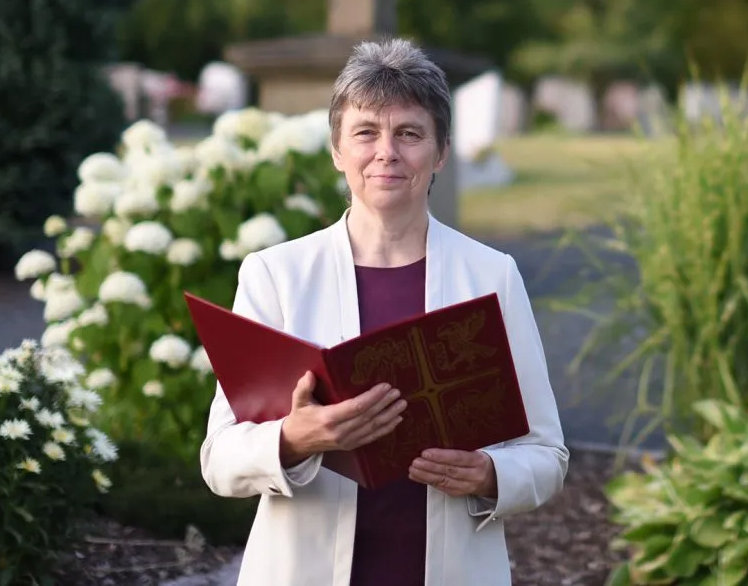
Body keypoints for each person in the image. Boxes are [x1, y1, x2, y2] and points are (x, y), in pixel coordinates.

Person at [200, 37, 569, 586]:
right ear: (336, 149)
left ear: (441, 151)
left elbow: (547, 453)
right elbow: (220, 459)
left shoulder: (492, 276)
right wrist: (295, 439)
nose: (386, 152)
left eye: (410, 134)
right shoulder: (275, 275)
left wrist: (491, 473)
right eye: (366, 132)